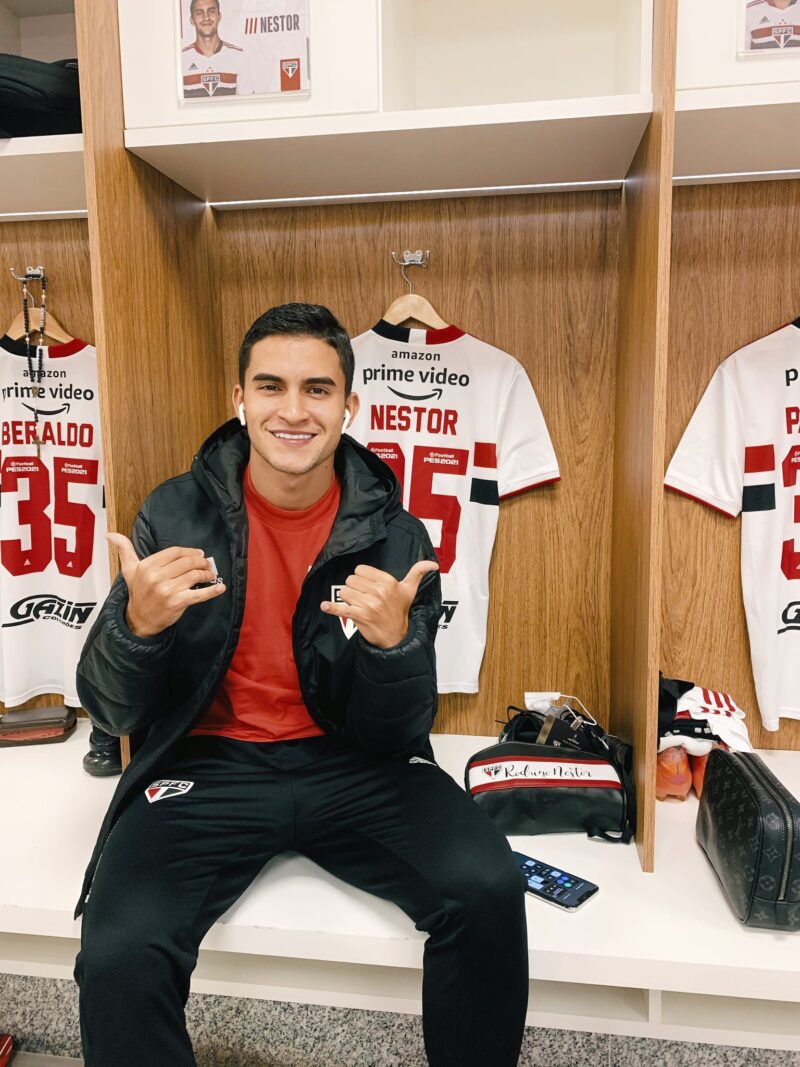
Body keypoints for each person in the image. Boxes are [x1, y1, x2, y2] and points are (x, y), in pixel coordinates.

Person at [72, 303, 529, 1066]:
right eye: (271, 386)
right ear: (239, 399)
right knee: (120, 950)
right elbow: (111, 708)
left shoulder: (397, 535)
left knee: (488, 886)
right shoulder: (173, 512)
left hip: (354, 762)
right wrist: (136, 627)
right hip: (207, 765)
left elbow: (397, 730)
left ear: (350, 406)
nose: (293, 410)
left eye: (317, 389)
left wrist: (391, 649)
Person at [181, 0, 250, 98]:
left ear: (219, 17)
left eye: (211, 11)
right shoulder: (181, 60)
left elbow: (247, 104)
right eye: (199, 13)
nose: (206, 17)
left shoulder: (238, 56)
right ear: (192, 20)